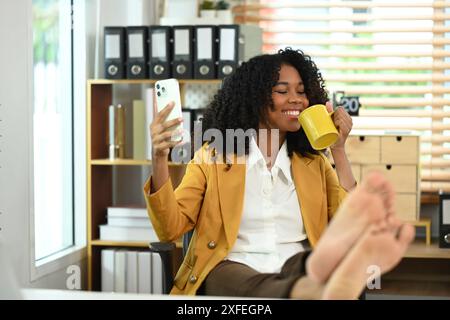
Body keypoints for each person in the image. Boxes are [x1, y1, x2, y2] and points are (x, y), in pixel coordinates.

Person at [144, 48, 410, 298]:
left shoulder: (313, 164)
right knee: (246, 281)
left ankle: (316, 277)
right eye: (282, 90)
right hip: (232, 268)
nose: (297, 99)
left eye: (302, 92)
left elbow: (349, 225)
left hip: (294, 265)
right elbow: (169, 229)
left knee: (303, 263)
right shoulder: (212, 158)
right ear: (255, 98)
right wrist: (159, 158)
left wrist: (338, 150)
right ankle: (311, 289)